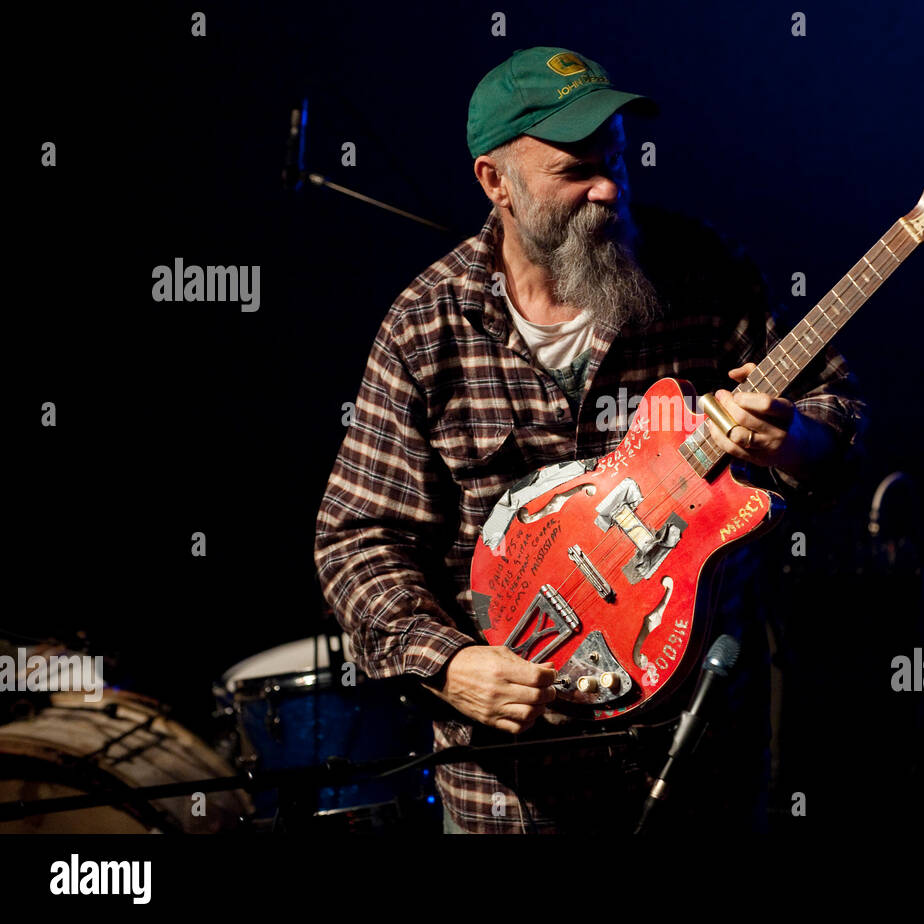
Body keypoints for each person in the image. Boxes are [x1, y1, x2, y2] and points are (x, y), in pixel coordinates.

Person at [314, 46, 867, 833]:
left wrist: (793, 440)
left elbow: (837, 421)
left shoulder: (705, 274)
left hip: (692, 764)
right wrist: (450, 663)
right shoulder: (425, 326)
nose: (609, 186)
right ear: (494, 182)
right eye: (575, 171)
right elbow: (357, 538)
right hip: (511, 789)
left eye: (614, 159)